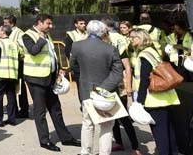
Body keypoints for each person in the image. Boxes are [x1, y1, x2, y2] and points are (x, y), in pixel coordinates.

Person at [22, 13, 80, 152]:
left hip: (49, 77)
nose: (51, 26)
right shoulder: (27, 35)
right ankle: (44, 140)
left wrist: (58, 68)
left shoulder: (46, 35)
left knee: (56, 109)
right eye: (48, 23)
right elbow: (34, 51)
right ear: (39, 22)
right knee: (40, 111)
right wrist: (41, 40)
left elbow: (51, 54)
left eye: (51, 24)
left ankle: (65, 138)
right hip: (36, 79)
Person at [70, 20, 123, 155]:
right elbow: (117, 74)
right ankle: (104, 153)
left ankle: (85, 151)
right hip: (107, 93)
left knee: (87, 123)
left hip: (86, 89)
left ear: (88, 30)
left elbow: (74, 66)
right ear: (103, 32)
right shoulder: (111, 49)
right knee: (106, 125)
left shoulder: (77, 46)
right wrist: (102, 88)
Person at [129, 28, 181, 155]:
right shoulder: (152, 51)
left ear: (141, 38)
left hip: (154, 100)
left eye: (133, 37)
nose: (130, 40)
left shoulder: (143, 55)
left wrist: (139, 101)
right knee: (169, 131)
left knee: (160, 134)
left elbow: (144, 80)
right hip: (167, 97)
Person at [104, 19, 141, 155]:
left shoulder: (119, 49)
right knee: (112, 117)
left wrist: (129, 87)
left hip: (121, 87)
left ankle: (135, 146)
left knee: (124, 117)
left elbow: (128, 68)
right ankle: (119, 143)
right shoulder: (103, 50)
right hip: (108, 86)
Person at [0, 25, 20, 127]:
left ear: (3, 32)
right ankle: (12, 119)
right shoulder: (14, 44)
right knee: (11, 97)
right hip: (12, 75)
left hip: (1, 74)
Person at [3, 14, 30, 118]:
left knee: (20, 87)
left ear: (12, 23)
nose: (4, 25)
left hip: (18, 63)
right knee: (11, 87)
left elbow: (23, 48)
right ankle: (13, 108)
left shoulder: (19, 33)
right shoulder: (7, 32)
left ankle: (24, 110)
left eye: (6, 23)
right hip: (10, 64)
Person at [64, 16, 87, 86]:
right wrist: (74, 64)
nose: (84, 25)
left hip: (89, 64)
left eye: (84, 23)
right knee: (81, 87)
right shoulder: (71, 35)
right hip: (78, 66)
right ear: (76, 25)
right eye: (81, 23)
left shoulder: (88, 34)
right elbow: (67, 51)